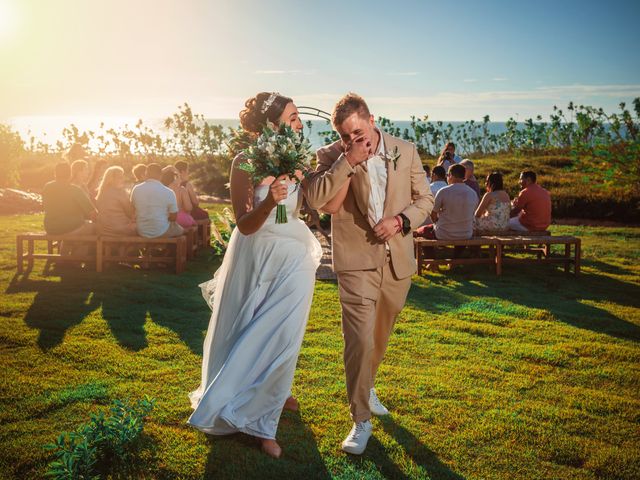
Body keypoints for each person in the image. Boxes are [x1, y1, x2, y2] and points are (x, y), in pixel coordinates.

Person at [188, 92, 322, 459]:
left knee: (285, 326)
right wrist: (270, 199)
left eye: (298, 117)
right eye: (293, 116)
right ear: (272, 123)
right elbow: (245, 225)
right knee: (250, 325)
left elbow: (306, 209)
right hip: (256, 253)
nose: (299, 123)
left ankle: (273, 397)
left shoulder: (299, 160)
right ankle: (251, 411)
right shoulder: (245, 161)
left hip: (294, 252)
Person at [305, 93, 433, 455]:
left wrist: (400, 220)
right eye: (345, 136)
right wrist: (347, 159)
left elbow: (425, 199)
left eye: (358, 133)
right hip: (356, 258)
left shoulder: (404, 150)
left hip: (398, 259)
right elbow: (316, 199)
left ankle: (367, 383)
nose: (353, 140)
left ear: (372, 120)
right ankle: (360, 418)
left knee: (379, 334)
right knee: (358, 338)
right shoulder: (331, 155)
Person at [417, 164, 478, 240]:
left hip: (444, 233)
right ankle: (458, 252)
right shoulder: (473, 193)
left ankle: (430, 252)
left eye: (447, 175)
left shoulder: (443, 191)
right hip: (466, 234)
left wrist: (437, 223)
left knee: (421, 230)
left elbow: (433, 214)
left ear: (451, 175)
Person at [130, 163, 184, 238]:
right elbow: (174, 217)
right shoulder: (168, 192)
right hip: (161, 230)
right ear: (161, 175)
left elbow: (132, 209)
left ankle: (156, 247)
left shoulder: (136, 189)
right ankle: (170, 248)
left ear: (146, 174)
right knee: (181, 230)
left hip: (142, 230)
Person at [42, 162, 96, 236]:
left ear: (55, 174)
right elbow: (92, 213)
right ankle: (76, 247)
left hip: (50, 228)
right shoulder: (75, 190)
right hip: (71, 228)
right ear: (70, 174)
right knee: (96, 228)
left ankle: (70, 246)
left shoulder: (47, 187)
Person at [96, 166, 137, 236]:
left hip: (104, 230)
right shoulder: (120, 192)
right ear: (112, 179)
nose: (123, 179)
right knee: (143, 227)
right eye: (120, 177)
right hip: (119, 229)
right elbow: (130, 212)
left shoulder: (101, 193)